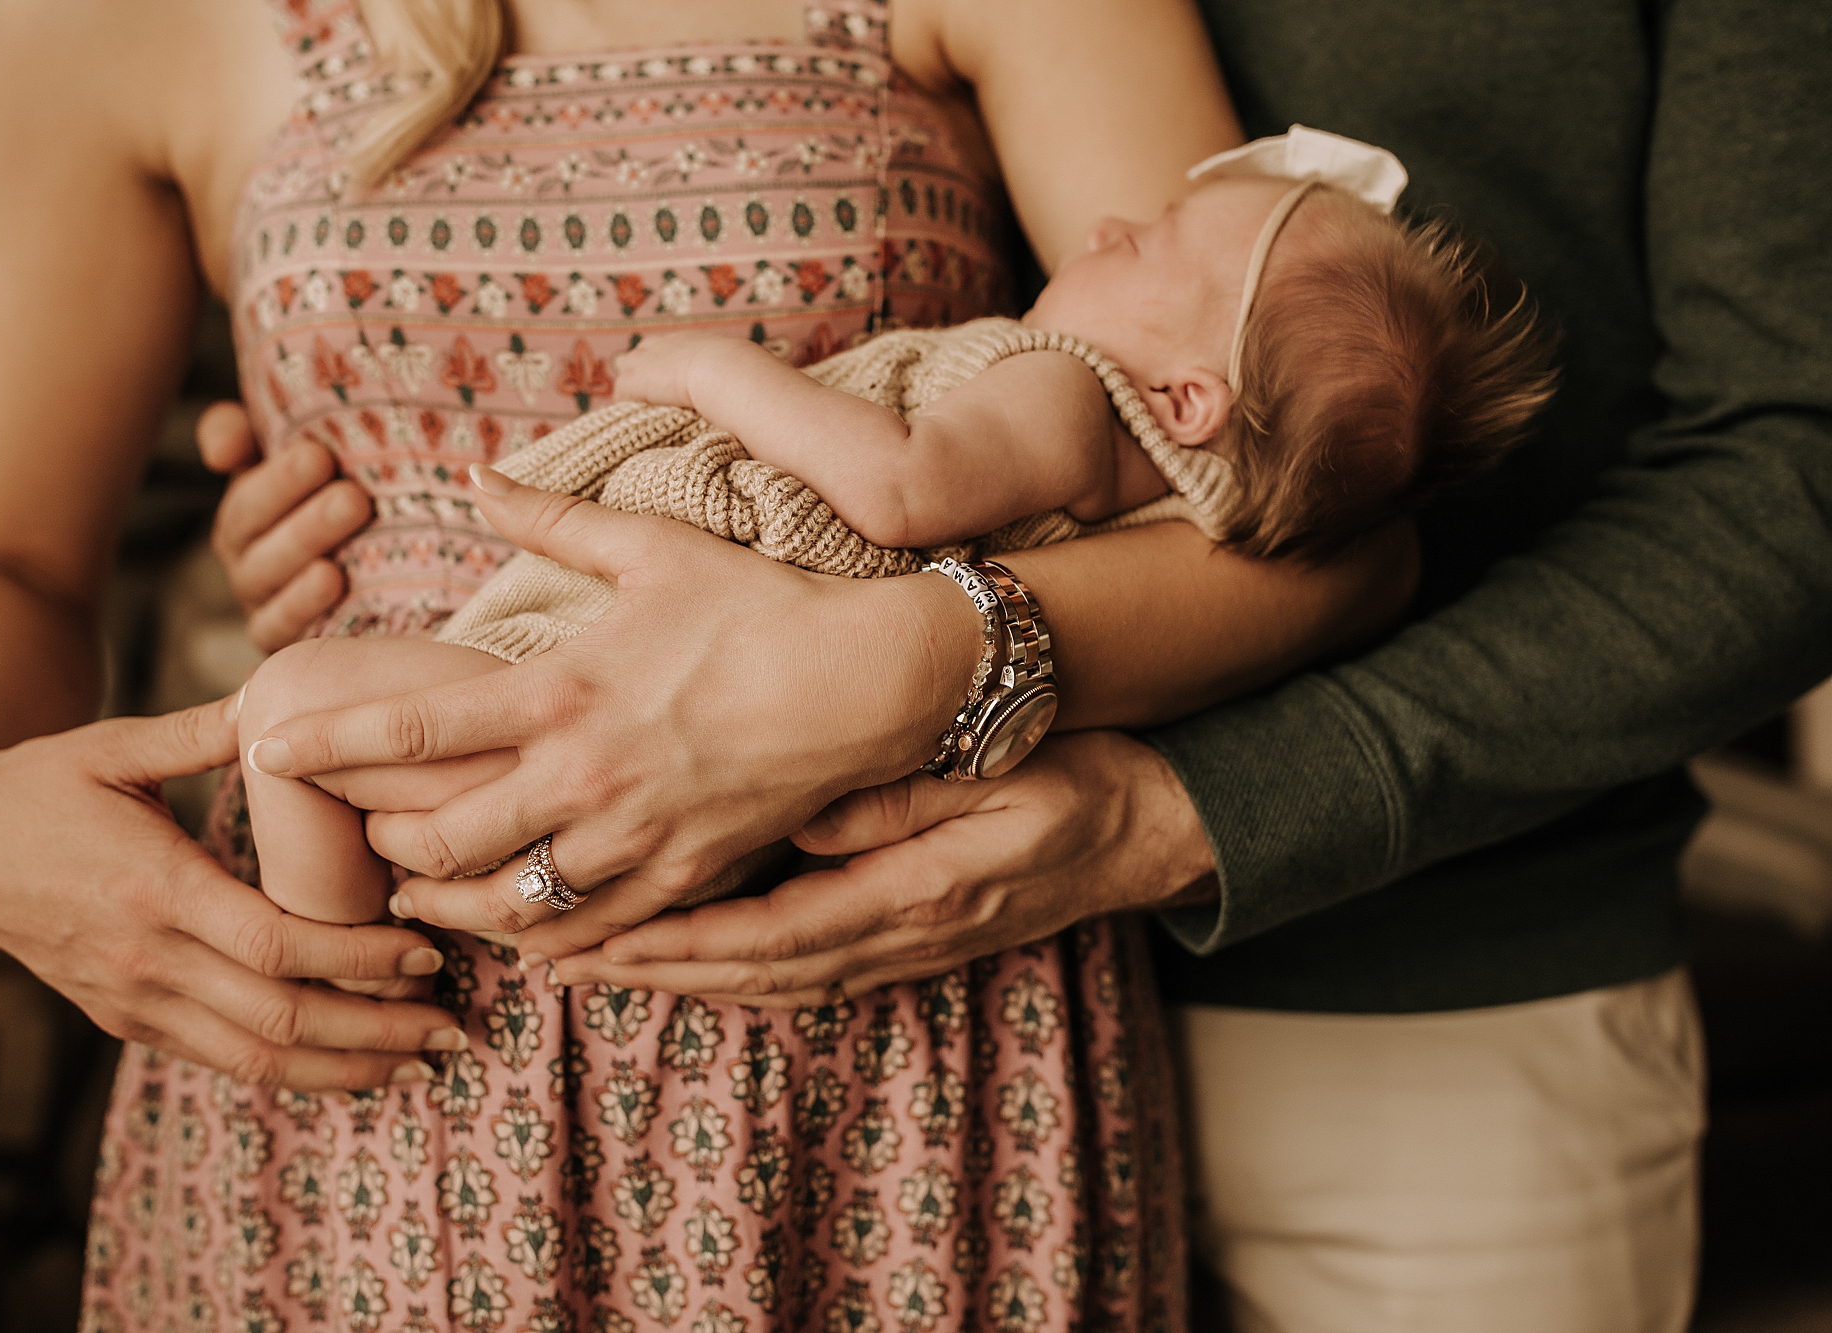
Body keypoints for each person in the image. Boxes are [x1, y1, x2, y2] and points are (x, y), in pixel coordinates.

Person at [221, 0, 1832, 1329]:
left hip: (1433, 985)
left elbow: (1794, 468)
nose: (1125, 223)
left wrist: (1180, 800)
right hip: (929, 1007)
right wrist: (354, 463)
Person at [0, 0, 1411, 1328]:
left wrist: (903, 665)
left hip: (879, 1019)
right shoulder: (104, 28)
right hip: (367, 1025)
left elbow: (1307, 533)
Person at [240, 153, 1549, 930]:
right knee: (360, 764)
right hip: (717, 726)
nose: (1101, 230)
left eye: (1145, 243)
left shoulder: (1066, 386)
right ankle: (361, 942)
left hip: (633, 663)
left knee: (296, 712)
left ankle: (336, 963)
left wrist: (716, 374)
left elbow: (903, 489)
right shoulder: (1143, 484)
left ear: (1191, 398)